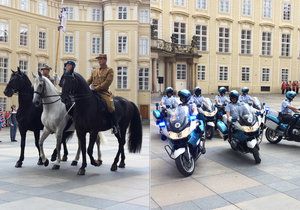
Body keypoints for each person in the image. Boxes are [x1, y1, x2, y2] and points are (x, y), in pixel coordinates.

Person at [87, 54, 120, 136]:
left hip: (103, 92)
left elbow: (107, 83)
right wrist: (84, 86)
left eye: (101, 59)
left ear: (105, 60)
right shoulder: (94, 71)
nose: (99, 61)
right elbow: (89, 80)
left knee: (110, 105)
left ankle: (115, 125)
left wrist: (96, 88)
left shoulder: (110, 70)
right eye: (98, 59)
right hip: (92, 92)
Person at [178, 89, 205, 154]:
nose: (182, 99)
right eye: (181, 98)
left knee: (199, 128)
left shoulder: (191, 104)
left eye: (183, 98)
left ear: (187, 98)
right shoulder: (179, 105)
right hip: (183, 122)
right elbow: (176, 113)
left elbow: (195, 110)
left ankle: (201, 145)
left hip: (191, 120)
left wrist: (194, 114)